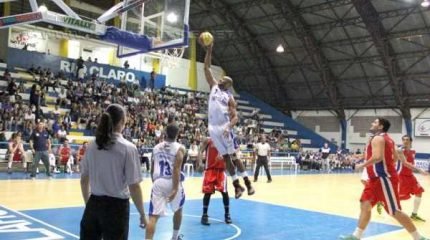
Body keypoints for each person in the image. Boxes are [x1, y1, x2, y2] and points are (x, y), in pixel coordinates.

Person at [340, 118, 429, 240]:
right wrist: (387, 165)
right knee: (365, 204)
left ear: (381, 126)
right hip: (375, 179)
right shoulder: (389, 139)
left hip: (383, 179)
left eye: (375, 122)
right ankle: (356, 236)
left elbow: (377, 157)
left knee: (394, 211)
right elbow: (395, 158)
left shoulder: (378, 138)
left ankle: (418, 238)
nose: (372, 123)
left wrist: (361, 165)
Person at [80, 104, 146, 240]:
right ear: (122, 122)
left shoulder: (92, 145)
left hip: (93, 205)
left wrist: (89, 205)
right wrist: (142, 214)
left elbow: (84, 179)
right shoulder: (128, 148)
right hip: (116, 209)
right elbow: (134, 186)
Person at [201, 37, 254, 199]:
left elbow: (236, 118)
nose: (221, 79)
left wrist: (228, 127)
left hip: (224, 127)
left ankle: (248, 183)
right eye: (221, 78)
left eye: (224, 79)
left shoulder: (230, 98)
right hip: (213, 128)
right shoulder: (214, 87)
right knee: (225, 158)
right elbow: (206, 68)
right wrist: (209, 50)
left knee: (234, 156)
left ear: (228, 84)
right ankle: (237, 186)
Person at [145, 123, 185, 240]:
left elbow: (152, 169)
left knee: (153, 217)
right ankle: (174, 237)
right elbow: (177, 169)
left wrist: (155, 183)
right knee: (178, 210)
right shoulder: (180, 148)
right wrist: (174, 189)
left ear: (165, 133)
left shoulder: (156, 148)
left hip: (158, 181)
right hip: (173, 182)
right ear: (177, 134)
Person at [198, 137, 232, 226]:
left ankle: (227, 214)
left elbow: (230, 154)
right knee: (207, 193)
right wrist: (200, 162)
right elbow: (200, 150)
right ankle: (204, 215)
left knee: (225, 193)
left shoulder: (225, 140)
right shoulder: (208, 139)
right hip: (210, 169)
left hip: (221, 170)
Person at [397, 135, 428, 222]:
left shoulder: (413, 151)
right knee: (400, 197)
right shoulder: (400, 150)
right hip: (402, 176)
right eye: (403, 140)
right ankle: (385, 201)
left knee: (419, 192)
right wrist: (420, 170)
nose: (405, 141)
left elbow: (411, 164)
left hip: (410, 176)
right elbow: (405, 163)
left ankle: (414, 215)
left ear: (411, 141)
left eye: (407, 140)